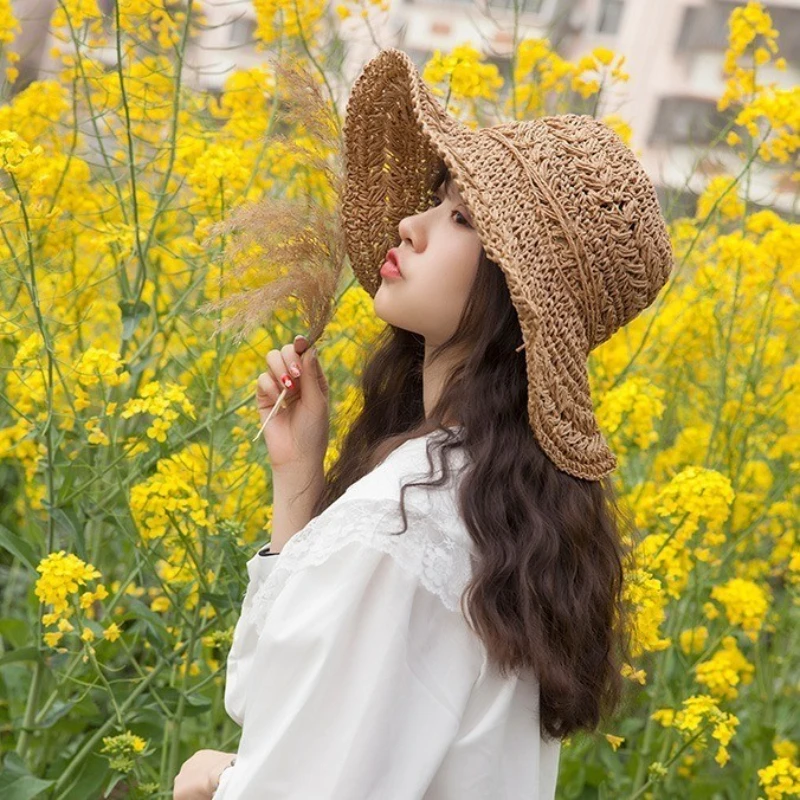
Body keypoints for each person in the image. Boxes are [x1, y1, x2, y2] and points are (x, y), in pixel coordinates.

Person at [174, 47, 674, 799]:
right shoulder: (500, 519)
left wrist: (214, 782)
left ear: (518, 302)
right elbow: (290, 699)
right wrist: (298, 480)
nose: (411, 224)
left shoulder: (401, 530)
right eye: (437, 199)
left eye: (462, 217)